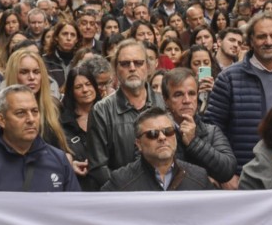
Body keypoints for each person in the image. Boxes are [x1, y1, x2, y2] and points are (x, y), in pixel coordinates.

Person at [205, 12, 272, 159]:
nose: (269, 42)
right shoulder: (228, 78)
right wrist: (226, 167)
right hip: (243, 167)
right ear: (251, 41)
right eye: (261, 36)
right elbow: (213, 129)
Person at [0, 86, 80, 193]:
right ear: (1, 120)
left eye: (35, 111)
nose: (31, 119)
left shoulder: (59, 160)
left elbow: (73, 208)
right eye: (21, 113)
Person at [85, 40, 165, 187]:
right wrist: (128, 190)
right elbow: (98, 167)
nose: (132, 68)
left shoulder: (165, 104)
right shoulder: (101, 111)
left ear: (148, 67)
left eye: (138, 63)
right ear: (116, 69)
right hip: (121, 195)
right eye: (125, 64)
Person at [101, 107, 214, 191]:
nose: (162, 137)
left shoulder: (199, 177)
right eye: (152, 134)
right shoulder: (121, 181)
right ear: (139, 144)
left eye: (168, 131)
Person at [162, 68, 238, 184]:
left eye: (191, 93)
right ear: (166, 100)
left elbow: (227, 170)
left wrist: (194, 142)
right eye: (178, 94)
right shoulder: (156, 133)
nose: (187, 100)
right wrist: (203, 178)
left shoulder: (211, 131)